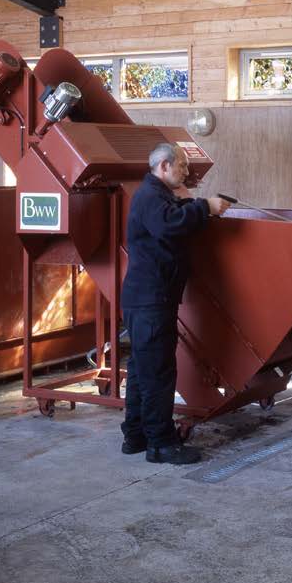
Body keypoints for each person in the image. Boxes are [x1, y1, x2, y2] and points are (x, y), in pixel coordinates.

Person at [120, 142, 230, 464]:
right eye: (181, 166)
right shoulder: (150, 196)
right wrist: (205, 207)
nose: (186, 171)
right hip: (150, 300)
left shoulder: (158, 195)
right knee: (158, 372)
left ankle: (136, 434)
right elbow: (169, 225)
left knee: (142, 370)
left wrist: (197, 207)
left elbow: (174, 217)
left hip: (148, 298)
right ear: (164, 166)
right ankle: (161, 444)